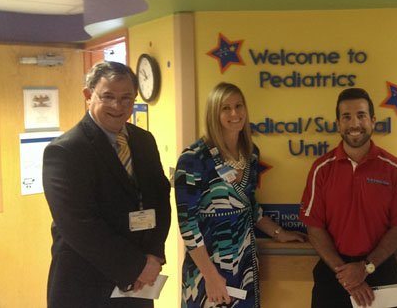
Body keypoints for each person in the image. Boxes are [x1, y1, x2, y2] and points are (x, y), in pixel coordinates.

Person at [43, 61, 172, 308]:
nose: (118, 106)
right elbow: (78, 225)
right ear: (88, 95)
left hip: (139, 285)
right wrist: (136, 266)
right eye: (108, 96)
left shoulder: (143, 141)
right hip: (85, 285)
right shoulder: (65, 150)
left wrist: (154, 256)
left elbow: (160, 199)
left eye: (126, 98)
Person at [174, 82, 307, 308]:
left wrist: (278, 232)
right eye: (225, 108)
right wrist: (210, 276)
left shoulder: (251, 154)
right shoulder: (193, 159)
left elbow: (251, 207)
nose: (234, 113)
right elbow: (188, 225)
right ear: (213, 113)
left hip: (244, 263)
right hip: (209, 266)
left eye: (238, 106)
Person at [299, 87, 397, 308]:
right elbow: (314, 229)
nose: (354, 124)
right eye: (347, 117)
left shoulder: (393, 168)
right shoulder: (321, 169)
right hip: (334, 273)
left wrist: (365, 268)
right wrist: (347, 276)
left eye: (361, 116)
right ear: (338, 124)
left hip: (380, 270)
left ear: (373, 121)